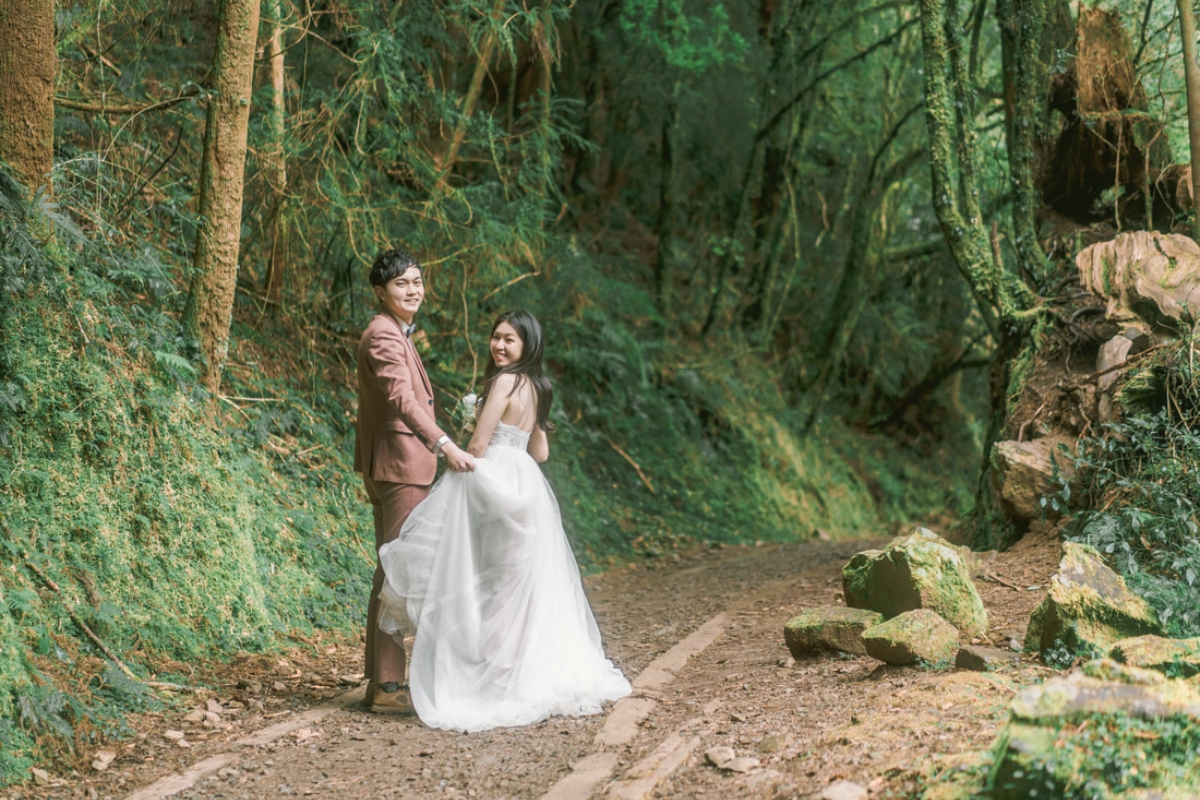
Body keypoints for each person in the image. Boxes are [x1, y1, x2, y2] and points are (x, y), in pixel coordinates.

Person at [376, 310, 631, 731]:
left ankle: (487, 682)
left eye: (509, 340)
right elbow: (542, 453)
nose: (499, 345)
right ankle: (511, 676)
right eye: (495, 337)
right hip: (527, 486)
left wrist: (473, 439)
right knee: (513, 588)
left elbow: (477, 441)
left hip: (494, 478)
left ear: (527, 344)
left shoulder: (504, 382)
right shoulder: (539, 385)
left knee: (484, 582)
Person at [354, 247, 475, 715]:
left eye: (418, 281)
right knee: (400, 573)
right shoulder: (383, 335)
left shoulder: (394, 331)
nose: (413, 290)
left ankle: (384, 682)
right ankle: (388, 686)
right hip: (399, 466)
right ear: (381, 291)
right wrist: (445, 444)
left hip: (396, 462)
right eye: (402, 283)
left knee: (392, 569)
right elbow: (403, 398)